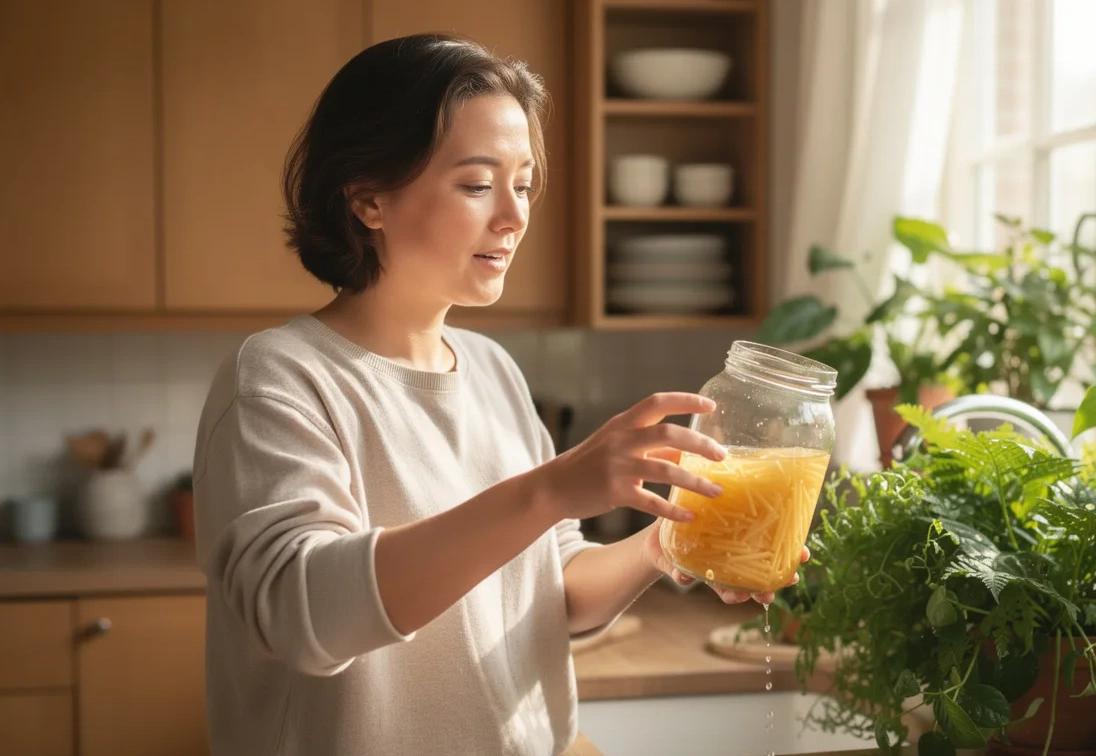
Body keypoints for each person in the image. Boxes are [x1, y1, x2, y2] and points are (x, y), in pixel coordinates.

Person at [191, 33, 805, 756]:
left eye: (524, 184)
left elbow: (553, 593)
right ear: (368, 200)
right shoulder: (280, 375)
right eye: (479, 184)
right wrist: (551, 489)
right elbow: (305, 618)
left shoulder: (491, 369)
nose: (513, 217)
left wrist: (677, 544)